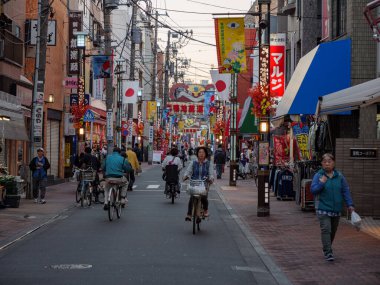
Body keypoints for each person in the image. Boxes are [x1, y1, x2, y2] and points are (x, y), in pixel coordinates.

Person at [311, 153, 355, 262]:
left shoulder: (339, 176)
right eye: (324, 162)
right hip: (322, 208)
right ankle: (328, 252)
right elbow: (313, 190)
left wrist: (350, 205)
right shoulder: (318, 175)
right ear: (321, 163)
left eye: (329, 161)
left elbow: (345, 191)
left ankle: (327, 246)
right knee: (326, 229)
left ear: (333, 163)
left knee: (332, 231)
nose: (327, 164)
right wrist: (321, 183)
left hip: (336, 209)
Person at [183, 146, 214, 221]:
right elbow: (188, 171)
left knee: (204, 197)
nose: (201, 154)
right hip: (194, 183)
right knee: (192, 197)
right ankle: (189, 215)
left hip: (204, 184)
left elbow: (211, 173)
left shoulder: (208, 163)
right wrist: (185, 176)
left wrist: (211, 179)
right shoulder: (193, 163)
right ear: (197, 154)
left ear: (205, 154)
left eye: (203, 152)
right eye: (199, 152)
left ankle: (206, 210)